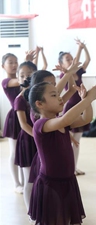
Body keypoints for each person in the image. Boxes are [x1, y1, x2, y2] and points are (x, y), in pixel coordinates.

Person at [27, 64, 96, 225]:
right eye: (54, 95)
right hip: (51, 184)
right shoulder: (41, 124)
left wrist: (86, 102)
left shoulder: (60, 122)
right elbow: (66, 119)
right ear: (39, 104)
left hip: (68, 181)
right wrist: (89, 98)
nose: (60, 97)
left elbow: (85, 119)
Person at [58, 38, 91, 176]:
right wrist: (79, 49)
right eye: (67, 59)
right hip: (71, 107)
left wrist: (83, 48)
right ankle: (66, 166)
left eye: (71, 59)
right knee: (68, 139)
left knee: (77, 141)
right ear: (61, 64)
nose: (71, 61)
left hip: (81, 106)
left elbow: (87, 60)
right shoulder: (64, 75)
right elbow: (73, 66)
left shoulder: (78, 72)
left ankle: (74, 167)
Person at [13, 61, 38, 212]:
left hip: (39, 139)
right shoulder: (20, 99)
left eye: (29, 75)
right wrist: (39, 137)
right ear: (17, 78)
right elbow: (23, 124)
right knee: (28, 179)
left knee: (39, 178)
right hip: (28, 140)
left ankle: (39, 208)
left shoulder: (38, 95)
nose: (25, 78)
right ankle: (30, 212)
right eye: (22, 76)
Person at [1, 53, 24, 193]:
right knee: (14, 152)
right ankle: (16, 184)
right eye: (10, 62)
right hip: (14, 118)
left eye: (16, 62)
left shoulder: (21, 78)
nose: (14, 65)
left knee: (24, 151)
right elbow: (22, 81)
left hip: (25, 116)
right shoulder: (6, 81)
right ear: (3, 66)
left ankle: (24, 181)